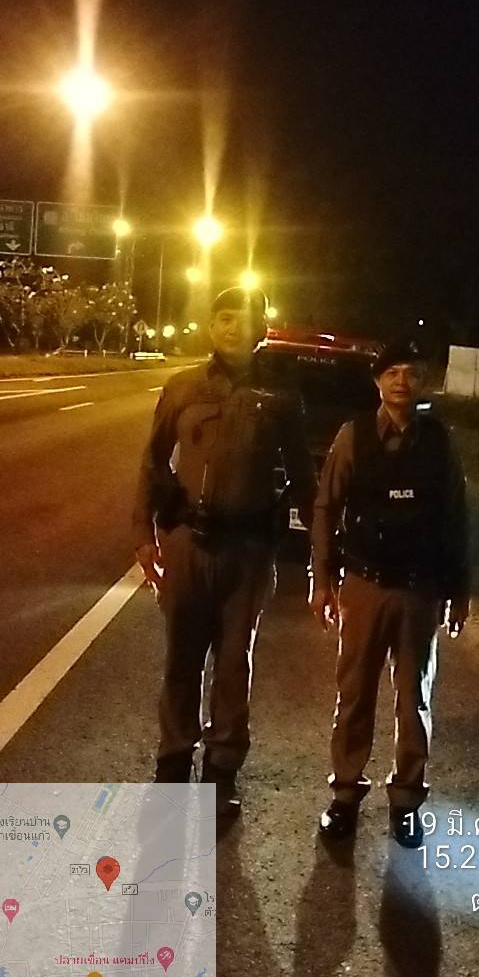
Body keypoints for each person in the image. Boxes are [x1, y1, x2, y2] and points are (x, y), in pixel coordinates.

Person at [133, 286, 316, 812]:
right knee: (182, 659)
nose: (235, 327)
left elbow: (304, 479)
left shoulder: (280, 396)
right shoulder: (183, 386)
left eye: (246, 318)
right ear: (213, 326)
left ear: (262, 328)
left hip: (248, 552)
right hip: (188, 545)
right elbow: (152, 462)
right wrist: (143, 535)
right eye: (225, 318)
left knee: (235, 664)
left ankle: (221, 771)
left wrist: (325, 557)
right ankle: (173, 763)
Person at [309, 337, 470, 847]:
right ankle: (345, 795)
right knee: (354, 694)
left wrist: (459, 588)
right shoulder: (353, 436)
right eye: (393, 372)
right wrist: (322, 579)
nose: (402, 381)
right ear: (378, 380)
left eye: (412, 373)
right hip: (365, 586)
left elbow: (455, 516)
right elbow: (326, 507)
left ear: (423, 382)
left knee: (414, 699)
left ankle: (406, 801)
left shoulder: (439, 442)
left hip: (420, 590)